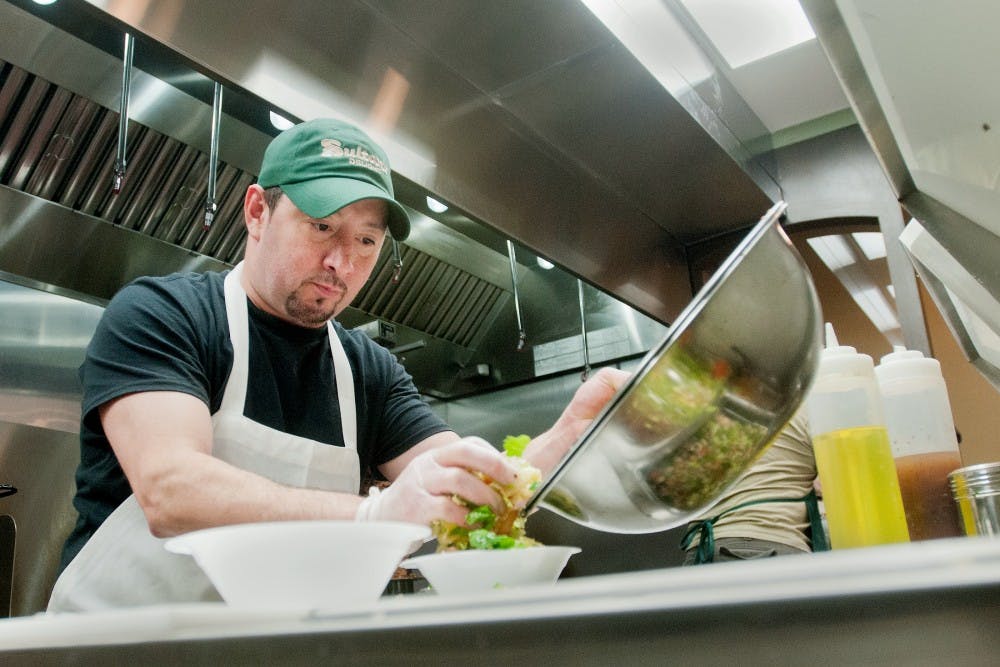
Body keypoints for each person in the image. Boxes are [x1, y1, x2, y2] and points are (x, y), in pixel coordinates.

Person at [48, 117, 628, 611]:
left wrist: (564, 444)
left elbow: (467, 489)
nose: (340, 263)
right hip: (119, 649)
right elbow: (172, 490)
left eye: (366, 242)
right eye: (321, 227)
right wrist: (374, 516)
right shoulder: (164, 315)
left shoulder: (369, 371)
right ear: (257, 211)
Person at [680, 410, 828, 565]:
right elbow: (836, 483)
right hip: (779, 546)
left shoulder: (701, 415)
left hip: (704, 552)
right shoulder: (805, 409)